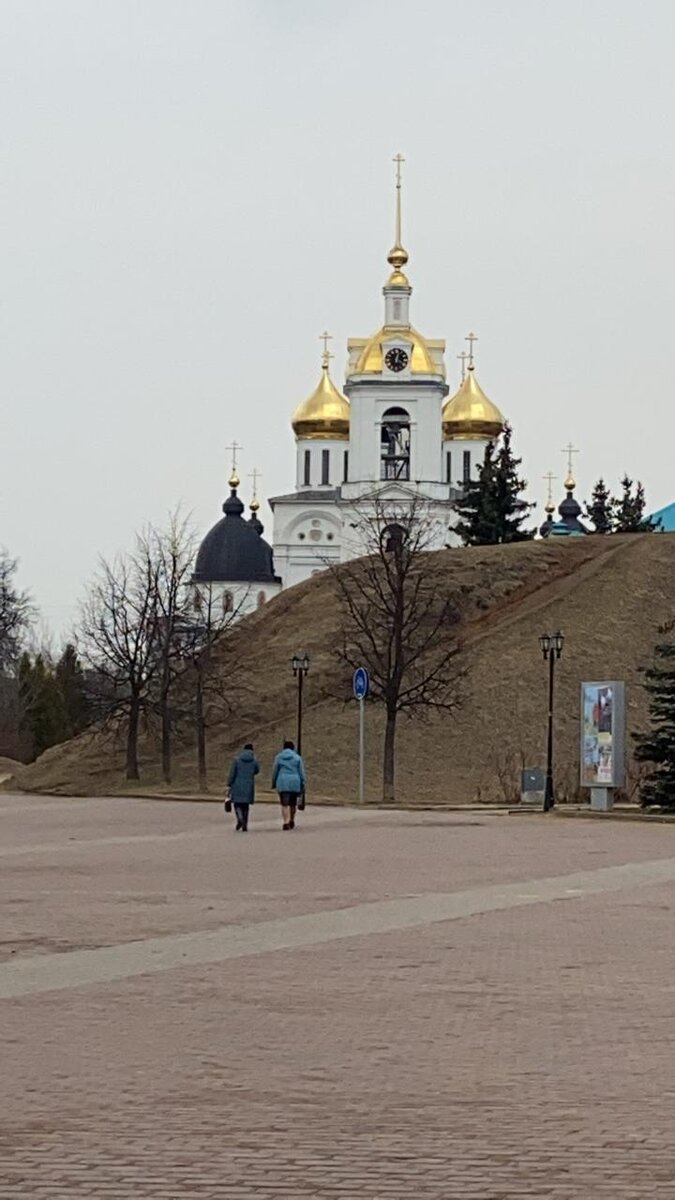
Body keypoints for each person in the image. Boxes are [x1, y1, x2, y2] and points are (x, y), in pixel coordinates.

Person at [271, 739, 306, 830]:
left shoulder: (279, 757)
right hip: (295, 781)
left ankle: (285, 822)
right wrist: (303, 782)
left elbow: (275, 770)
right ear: (293, 748)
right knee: (293, 804)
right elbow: (301, 772)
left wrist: (273, 782)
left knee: (284, 804)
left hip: (282, 781)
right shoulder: (297, 758)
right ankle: (292, 819)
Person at [226, 743, 260, 832]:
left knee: (237, 804)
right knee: (246, 806)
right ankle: (245, 824)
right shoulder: (254, 761)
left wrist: (229, 783)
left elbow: (232, 774)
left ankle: (239, 818)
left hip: (237, 784)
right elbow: (257, 770)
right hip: (249, 784)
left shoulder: (237, 760)